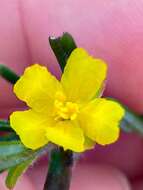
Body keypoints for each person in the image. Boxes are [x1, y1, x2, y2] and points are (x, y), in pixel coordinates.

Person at [0, 1, 143, 189]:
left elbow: (87, 70)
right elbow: (31, 94)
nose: (64, 109)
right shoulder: (45, 126)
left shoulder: (84, 78)